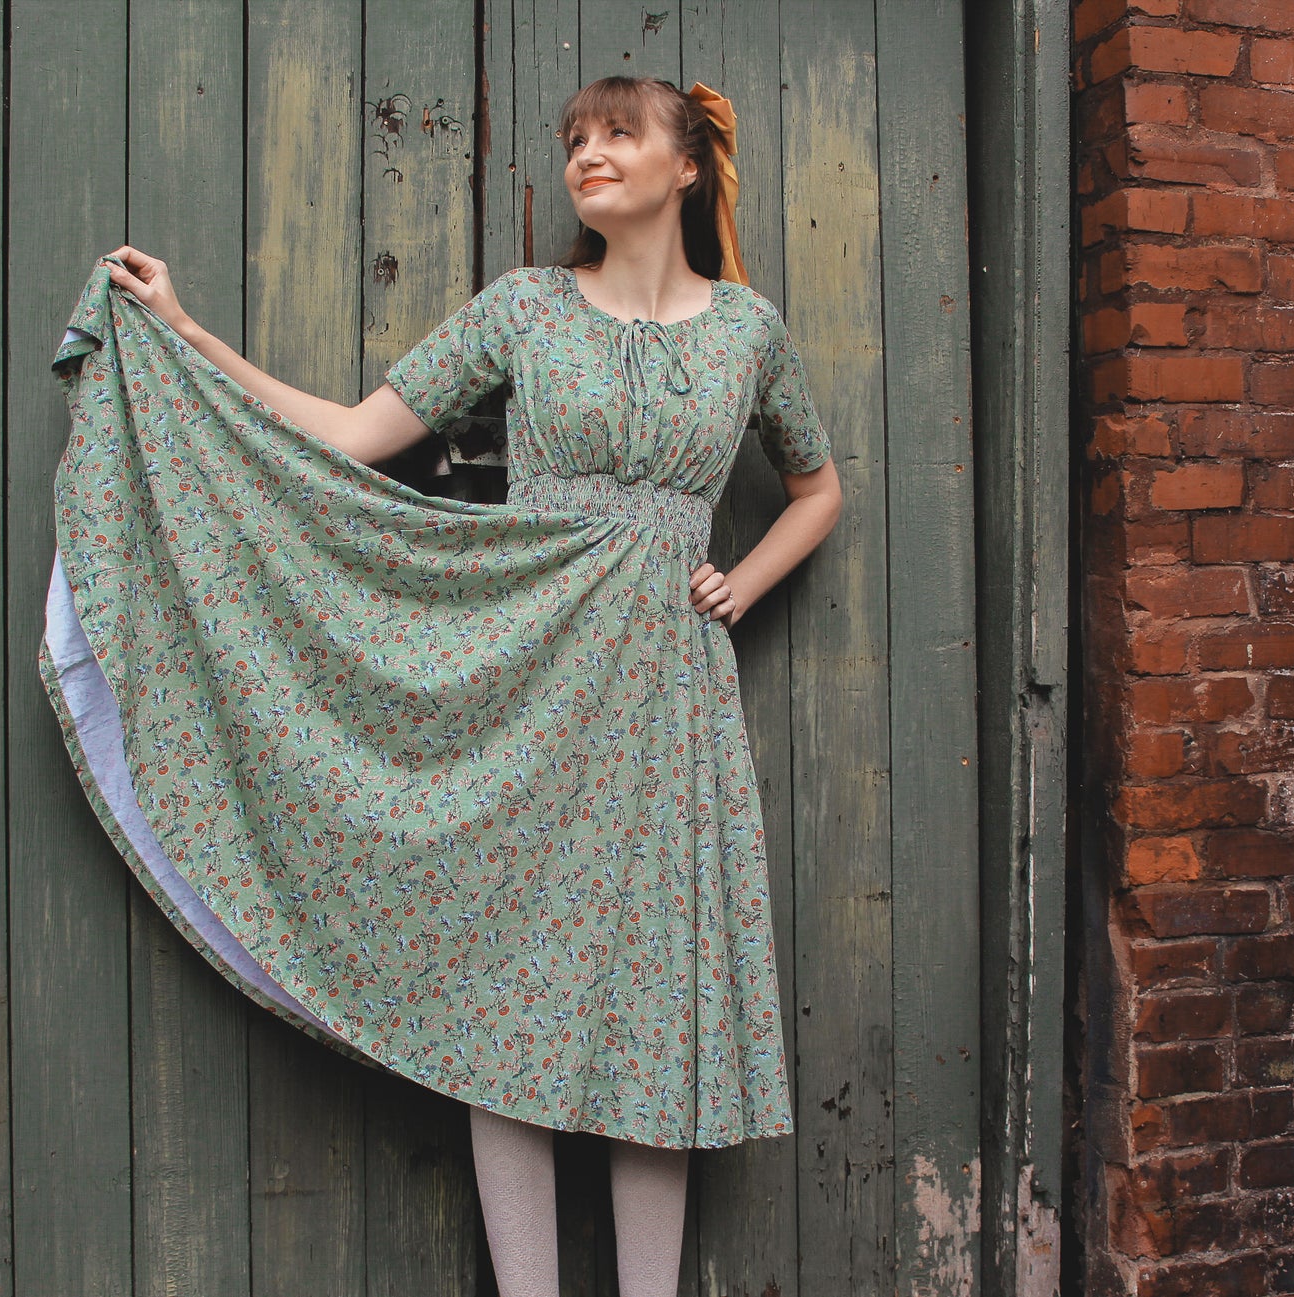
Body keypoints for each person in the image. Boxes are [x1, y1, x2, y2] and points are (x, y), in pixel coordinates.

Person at [77, 74, 839, 1297]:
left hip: (665, 701)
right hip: (521, 677)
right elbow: (349, 433)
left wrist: (740, 583)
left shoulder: (747, 330)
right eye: (576, 140)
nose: (589, 155)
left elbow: (819, 487)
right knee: (508, 1004)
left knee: (654, 1004)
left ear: (684, 166)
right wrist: (181, 332)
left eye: (617, 137)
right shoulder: (525, 310)